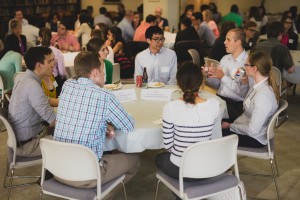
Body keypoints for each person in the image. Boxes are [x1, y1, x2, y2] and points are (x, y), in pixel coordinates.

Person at [54, 51, 140, 188]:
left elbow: (81, 114)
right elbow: (128, 125)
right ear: (94, 72)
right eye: (102, 70)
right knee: (134, 160)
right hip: (86, 174)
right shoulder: (104, 95)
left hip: (57, 168)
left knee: (112, 151)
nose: (104, 74)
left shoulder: (67, 85)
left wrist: (104, 123)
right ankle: (96, 195)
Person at [155, 62, 220, 179]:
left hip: (182, 170)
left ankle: (181, 194)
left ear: (178, 83)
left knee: (159, 158)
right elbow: (214, 137)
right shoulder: (214, 105)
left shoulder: (170, 107)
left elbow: (168, 145)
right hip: (208, 168)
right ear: (201, 82)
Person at [222, 52, 279, 148]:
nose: (243, 67)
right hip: (246, 122)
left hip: (255, 138)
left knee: (215, 134)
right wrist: (244, 82)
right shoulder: (259, 85)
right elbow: (247, 99)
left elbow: (252, 130)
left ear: (254, 68)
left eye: (246, 65)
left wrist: (230, 126)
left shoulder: (263, 96)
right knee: (218, 122)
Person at [8, 47, 57, 157]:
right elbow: (53, 121)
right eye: (50, 61)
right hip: (29, 144)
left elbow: (43, 99)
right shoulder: (33, 86)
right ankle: (52, 172)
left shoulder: (23, 77)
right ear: (39, 66)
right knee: (71, 140)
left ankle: (49, 173)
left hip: (21, 139)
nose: (53, 65)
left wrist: (62, 102)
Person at [205, 28, 249, 122]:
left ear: (238, 42)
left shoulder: (245, 63)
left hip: (235, 104)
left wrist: (223, 76)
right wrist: (209, 75)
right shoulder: (225, 59)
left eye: (228, 40)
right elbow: (216, 85)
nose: (224, 42)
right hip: (220, 98)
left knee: (208, 116)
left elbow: (240, 92)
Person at [39, 27, 66, 96]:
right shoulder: (56, 52)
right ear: (51, 38)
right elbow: (62, 72)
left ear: (39, 38)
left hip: (38, 79)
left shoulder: (34, 50)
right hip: (52, 79)